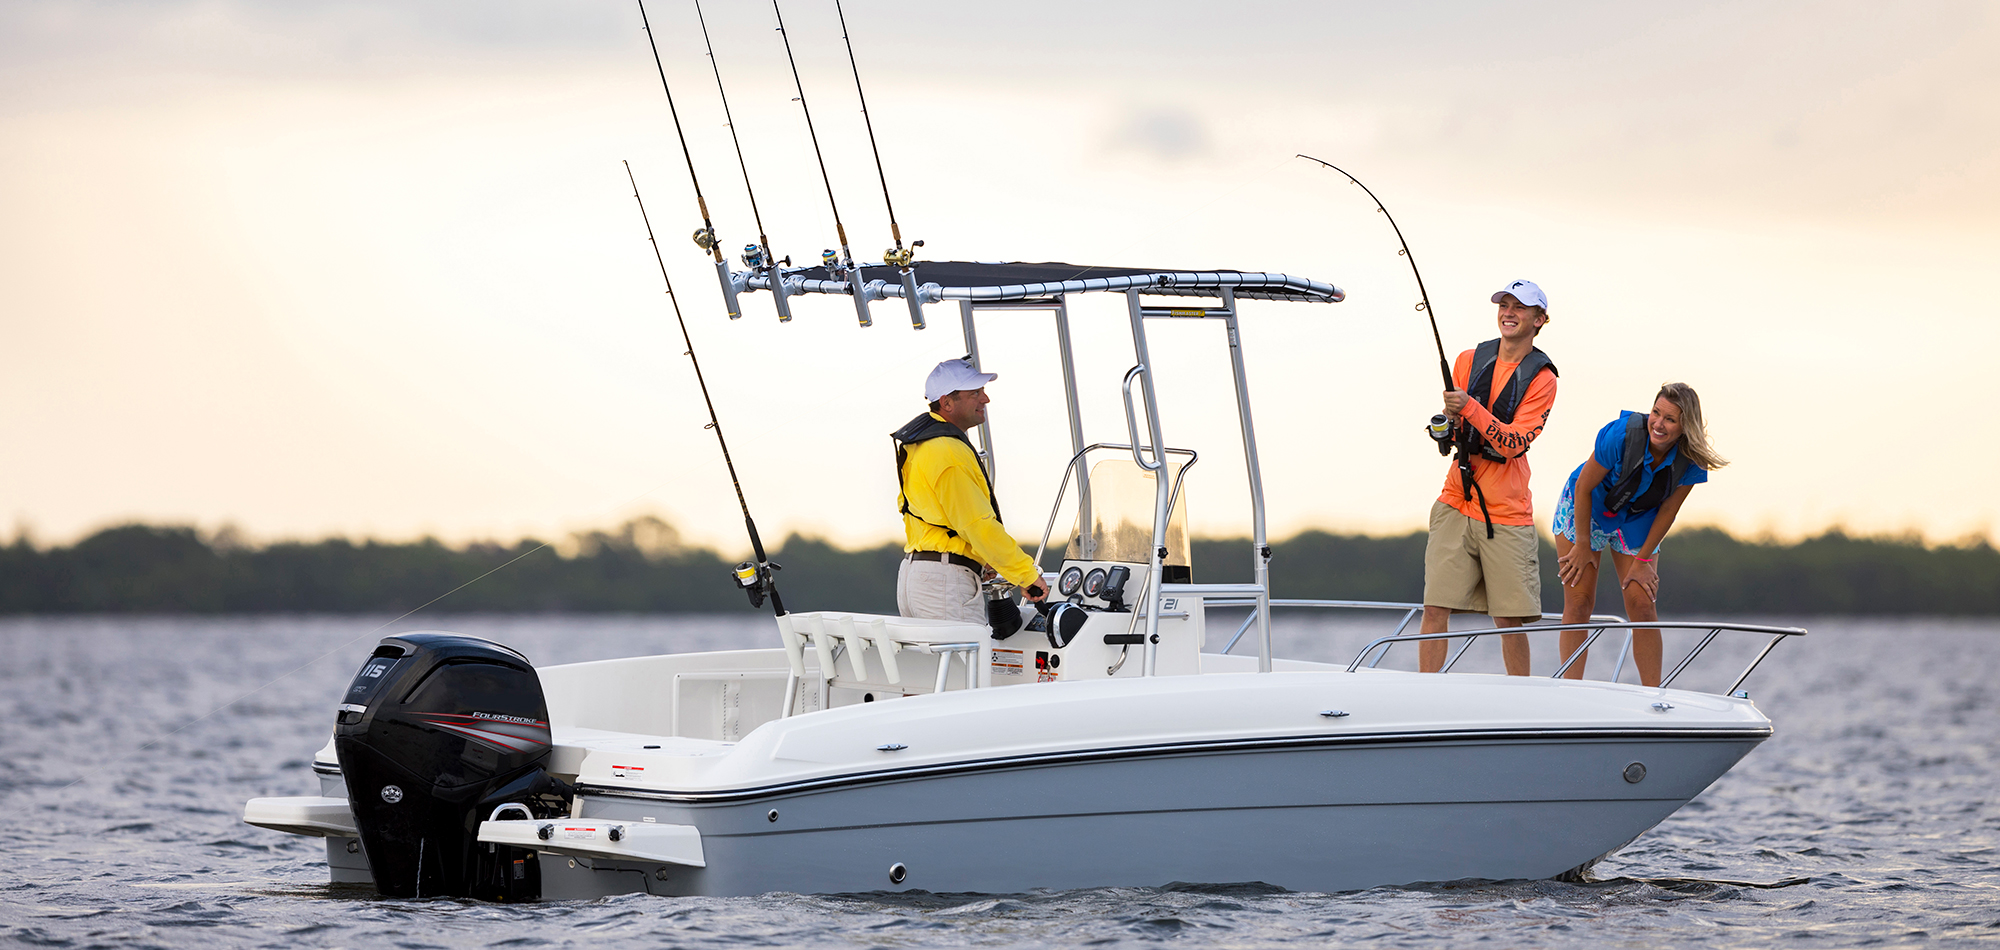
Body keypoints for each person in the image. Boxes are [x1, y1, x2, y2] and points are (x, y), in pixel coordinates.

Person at [1419, 280, 1559, 675]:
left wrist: (1470, 408)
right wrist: (1444, 425)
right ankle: (1424, 692)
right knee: (1435, 606)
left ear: (1539, 320)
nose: (1509, 312)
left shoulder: (1544, 379)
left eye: (1520, 307)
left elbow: (1514, 442)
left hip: (1507, 511)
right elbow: (1453, 420)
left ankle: (1521, 701)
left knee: (1507, 620)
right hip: (1455, 499)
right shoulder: (1468, 359)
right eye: (1504, 304)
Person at [1553, 382, 1727, 685]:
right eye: (1656, 413)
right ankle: (1571, 687)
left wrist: (1642, 560)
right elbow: (1583, 487)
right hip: (1589, 506)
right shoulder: (1620, 435)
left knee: (1642, 605)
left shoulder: (1691, 460)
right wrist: (1582, 544)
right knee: (1580, 602)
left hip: (1637, 518)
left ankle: (1652, 695)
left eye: (1670, 419)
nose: (1658, 424)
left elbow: (1668, 512)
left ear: (1685, 426)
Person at [892, 357, 1049, 624]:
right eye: (975, 393)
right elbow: (977, 525)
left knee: (948, 667)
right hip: (944, 582)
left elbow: (924, 515)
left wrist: (982, 560)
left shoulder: (920, 445)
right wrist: (1025, 574)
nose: (985, 399)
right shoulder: (948, 450)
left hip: (916, 576)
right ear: (947, 402)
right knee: (966, 667)